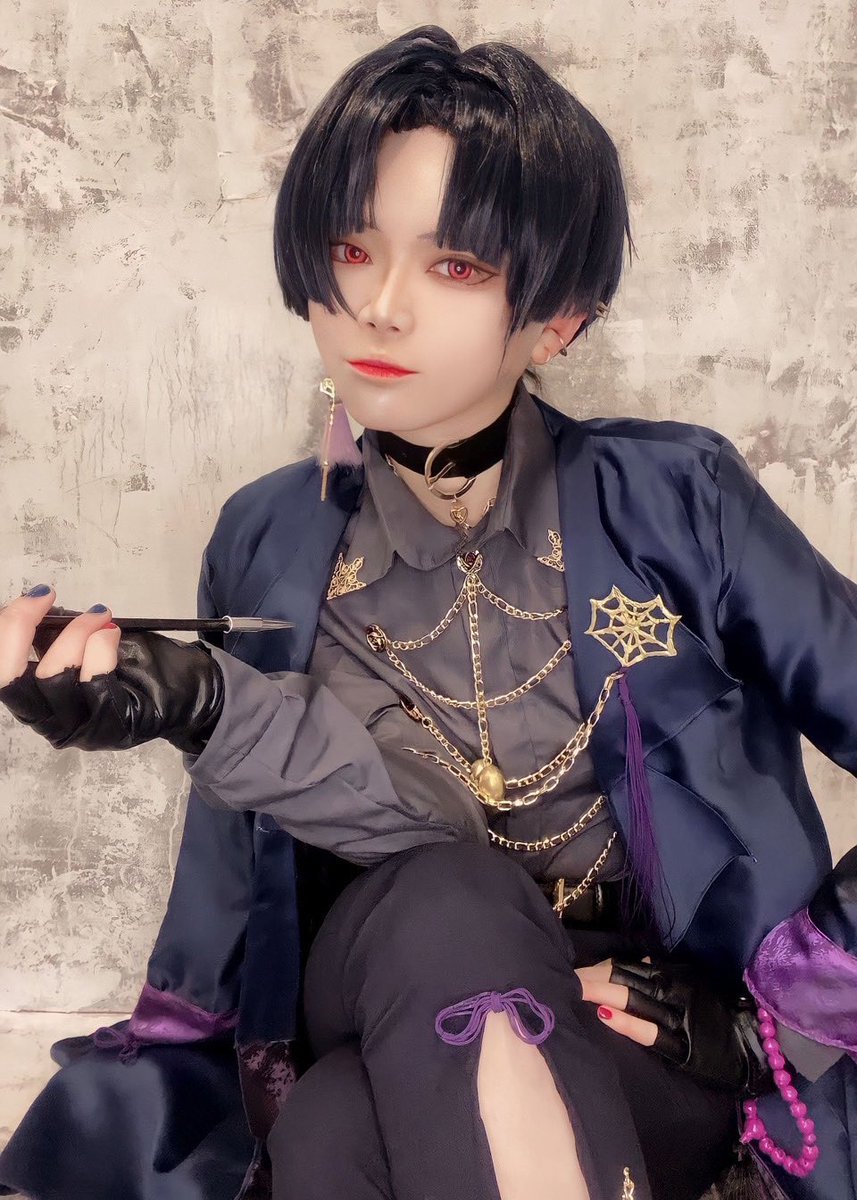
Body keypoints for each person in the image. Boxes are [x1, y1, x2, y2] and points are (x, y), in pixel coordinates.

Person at [0, 23, 853, 1200]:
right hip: (378, 972)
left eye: (453, 266)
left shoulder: (678, 500)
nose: (378, 305)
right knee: (452, 895)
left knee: (330, 1136)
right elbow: (275, 863)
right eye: (350, 249)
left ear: (560, 317)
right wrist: (187, 706)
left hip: (639, 1019)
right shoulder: (266, 536)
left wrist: (781, 1008)